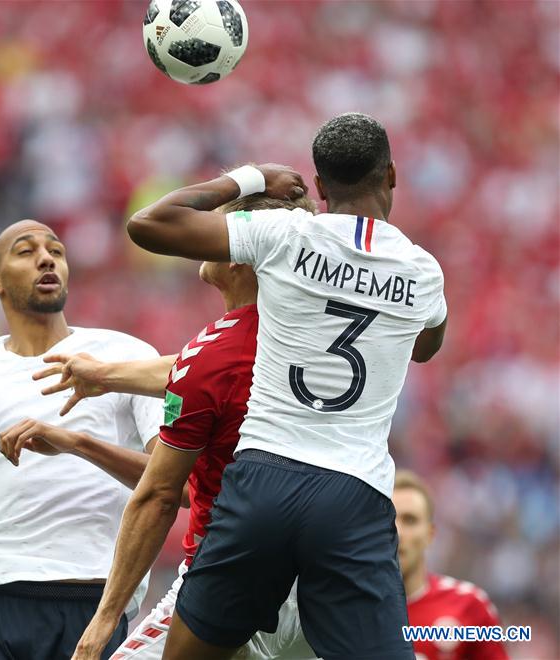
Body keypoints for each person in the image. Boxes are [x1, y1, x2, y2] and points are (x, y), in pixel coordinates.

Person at [125, 113, 448, 660]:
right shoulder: (423, 273)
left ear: (318, 188)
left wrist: (252, 179)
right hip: (354, 493)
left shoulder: (283, 235)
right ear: (392, 175)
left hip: (264, 480)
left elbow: (149, 224)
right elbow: (426, 345)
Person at [6, 193, 318, 660]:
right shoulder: (311, 332)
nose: (206, 237)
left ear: (242, 257)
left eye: (221, 231)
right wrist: (106, 377)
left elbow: (159, 495)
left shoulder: (215, 353)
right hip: (319, 584)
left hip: (229, 579)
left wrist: (104, 619)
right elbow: (209, 374)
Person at [0, 220, 164, 660]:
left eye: (56, 250)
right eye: (26, 251)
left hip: (91, 598)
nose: (46, 258)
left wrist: (76, 443)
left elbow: (179, 486)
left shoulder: (126, 356)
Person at [394, 470, 509, 660]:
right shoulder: (345, 608)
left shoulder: (469, 605)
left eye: (410, 520)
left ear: (430, 535)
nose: (397, 533)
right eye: (388, 520)